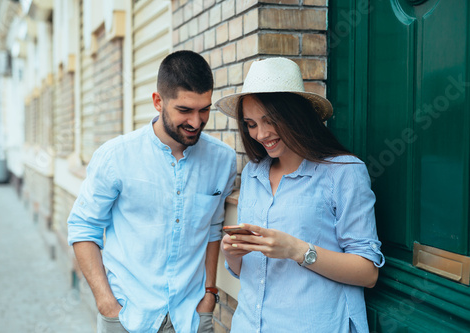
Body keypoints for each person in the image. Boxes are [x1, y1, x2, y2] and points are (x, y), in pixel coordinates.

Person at [67, 50, 237, 333]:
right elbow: (83, 229)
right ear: (158, 101)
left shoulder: (223, 160)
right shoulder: (115, 156)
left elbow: (213, 229)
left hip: (192, 317)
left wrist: (210, 294)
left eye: (204, 109)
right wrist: (107, 304)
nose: (196, 122)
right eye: (184, 110)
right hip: (128, 316)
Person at [215, 57, 385, 333]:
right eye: (251, 123)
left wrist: (296, 250)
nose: (261, 134)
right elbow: (244, 269)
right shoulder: (252, 173)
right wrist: (232, 254)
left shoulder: (344, 172)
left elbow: (367, 273)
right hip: (248, 324)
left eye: (270, 120)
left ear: (296, 115)